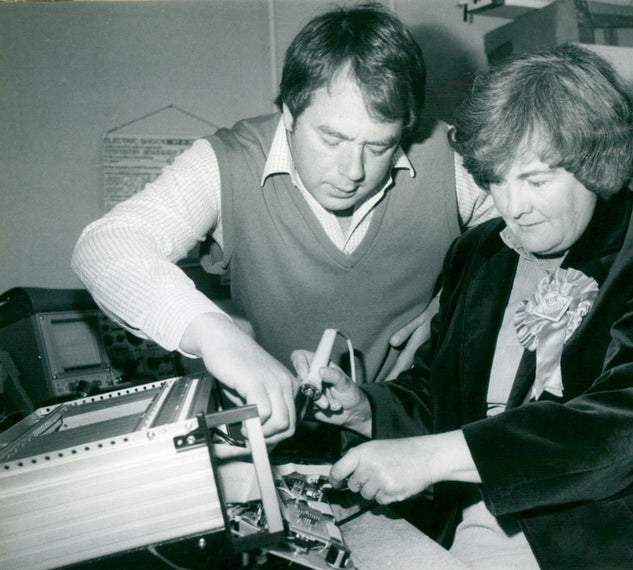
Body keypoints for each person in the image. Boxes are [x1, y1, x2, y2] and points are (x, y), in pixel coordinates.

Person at [294, 43, 633, 568]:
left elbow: (628, 417)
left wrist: (434, 456)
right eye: (496, 181)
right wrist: (367, 408)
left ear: (596, 160)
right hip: (479, 523)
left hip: (615, 536)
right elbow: (438, 392)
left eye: (535, 179)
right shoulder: (478, 251)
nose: (513, 208)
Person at [71, 3, 495, 446]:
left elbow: (524, 238)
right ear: (289, 113)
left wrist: (454, 301)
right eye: (332, 138)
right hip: (284, 442)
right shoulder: (226, 162)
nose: (353, 170)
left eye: (380, 146)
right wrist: (218, 338)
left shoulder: (447, 157)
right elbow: (105, 245)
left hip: (411, 433)